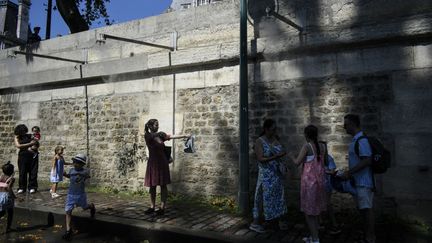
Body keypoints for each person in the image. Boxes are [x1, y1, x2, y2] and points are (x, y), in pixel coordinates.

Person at [143, 119, 190, 216]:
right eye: (156, 125)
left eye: (158, 125)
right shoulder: (148, 135)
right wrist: (159, 134)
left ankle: (162, 208)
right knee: (152, 186)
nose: (158, 127)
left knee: (163, 185)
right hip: (153, 163)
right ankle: (152, 207)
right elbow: (150, 136)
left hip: (162, 163)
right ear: (151, 126)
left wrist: (184, 136)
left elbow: (171, 136)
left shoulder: (160, 135)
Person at [249, 119, 288, 233]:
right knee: (261, 198)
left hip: (276, 175)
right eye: (272, 129)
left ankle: (279, 220)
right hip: (266, 176)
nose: (275, 131)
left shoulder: (276, 139)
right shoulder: (259, 141)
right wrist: (276, 156)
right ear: (266, 129)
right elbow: (261, 159)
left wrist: (282, 160)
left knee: (279, 197)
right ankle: (255, 223)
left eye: (275, 129)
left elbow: (282, 152)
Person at [341, 114, 375, 243]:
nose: (344, 127)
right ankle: (367, 235)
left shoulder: (362, 140)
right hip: (358, 182)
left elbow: (367, 160)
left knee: (367, 210)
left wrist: (349, 172)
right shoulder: (356, 140)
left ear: (352, 124)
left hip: (364, 183)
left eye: (345, 125)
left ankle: (370, 238)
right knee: (363, 210)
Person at [293, 125, 327, 243]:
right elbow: (325, 162)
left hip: (309, 184)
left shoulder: (307, 146)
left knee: (309, 213)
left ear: (306, 135)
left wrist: (291, 156)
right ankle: (313, 236)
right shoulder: (322, 146)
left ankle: (315, 239)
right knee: (316, 210)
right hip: (320, 182)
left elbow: (297, 162)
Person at [62, 154, 95, 240]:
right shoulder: (72, 170)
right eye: (74, 162)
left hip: (80, 195)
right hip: (71, 194)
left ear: (82, 164)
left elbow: (88, 176)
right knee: (68, 211)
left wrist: (84, 176)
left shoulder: (84, 172)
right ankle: (68, 230)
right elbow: (70, 176)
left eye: (77, 163)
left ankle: (91, 206)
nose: (75, 164)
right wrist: (65, 175)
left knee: (84, 207)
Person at [321, 144, 341, 235]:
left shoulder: (328, 158)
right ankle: (321, 223)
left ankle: (334, 224)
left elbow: (333, 171)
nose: (321, 150)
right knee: (318, 204)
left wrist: (324, 171)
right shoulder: (315, 158)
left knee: (327, 204)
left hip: (326, 185)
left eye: (322, 148)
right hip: (317, 185)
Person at [14, 124, 38, 194]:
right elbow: (18, 146)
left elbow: (36, 143)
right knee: (22, 172)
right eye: (22, 131)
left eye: (25, 131)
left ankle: (32, 187)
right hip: (23, 156)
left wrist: (33, 145)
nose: (24, 132)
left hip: (32, 155)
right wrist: (29, 144)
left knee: (33, 172)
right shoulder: (17, 137)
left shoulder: (30, 136)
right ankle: (22, 187)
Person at [0, 161, 15, 233]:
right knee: (10, 212)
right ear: (12, 171)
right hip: (7, 196)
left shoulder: (1, 177)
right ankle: (8, 228)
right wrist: (15, 197)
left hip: (0, 195)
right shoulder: (11, 179)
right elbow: (9, 188)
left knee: (2, 211)